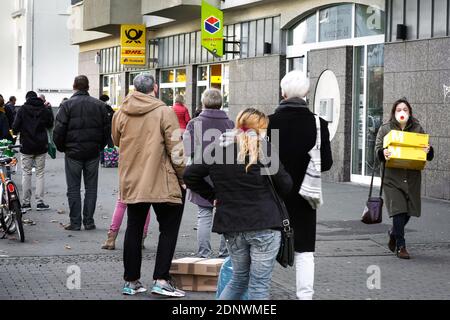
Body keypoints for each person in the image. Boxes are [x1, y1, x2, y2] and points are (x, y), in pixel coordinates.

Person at [184, 108, 293, 300]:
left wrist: (213, 196)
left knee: (239, 278)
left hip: (232, 224)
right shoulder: (263, 148)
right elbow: (285, 184)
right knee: (259, 285)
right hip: (264, 223)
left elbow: (190, 175)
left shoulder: (217, 148)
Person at [112, 74, 186, 297]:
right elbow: (176, 148)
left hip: (132, 178)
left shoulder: (121, 112)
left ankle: (131, 281)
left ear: (134, 88)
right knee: (169, 229)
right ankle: (161, 280)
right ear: (155, 87)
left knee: (134, 228)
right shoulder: (164, 111)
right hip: (160, 179)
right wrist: (183, 177)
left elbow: (116, 141)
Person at [268, 70, 333, 300]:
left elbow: (263, 161)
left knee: (266, 248)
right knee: (305, 251)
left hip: (273, 195)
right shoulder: (318, 124)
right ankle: (305, 296)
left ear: (283, 92)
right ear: (306, 93)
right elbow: (326, 163)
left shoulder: (269, 122)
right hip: (306, 195)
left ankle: (261, 293)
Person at [375, 98, 434, 260]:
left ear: (410, 112)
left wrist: (428, 150)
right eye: (399, 109)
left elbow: (428, 152)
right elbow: (378, 149)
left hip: (411, 177)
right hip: (392, 177)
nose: (402, 112)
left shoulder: (417, 128)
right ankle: (401, 246)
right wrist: (383, 153)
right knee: (398, 211)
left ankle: (394, 232)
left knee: (409, 211)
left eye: (405, 110)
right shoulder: (386, 129)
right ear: (394, 112)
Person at [53, 75, 111, 231]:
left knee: (73, 188)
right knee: (91, 188)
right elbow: (106, 130)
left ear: (74, 86)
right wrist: (100, 146)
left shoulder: (66, 105)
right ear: (88, 87)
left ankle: (75, 222)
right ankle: (89, 221)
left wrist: (62, 147)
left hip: (73, 153)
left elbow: (58, 130)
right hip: (92, 152)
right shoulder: (99, 105)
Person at [183, 89, 233, 258]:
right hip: (225, 177)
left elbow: (187, 150)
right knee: (225, 215)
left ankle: (204, 254)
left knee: (203, 215)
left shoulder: (194, 123)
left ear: (203, 102)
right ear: (221, 103)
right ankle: (224, 254)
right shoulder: (231, 124)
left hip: (200, 176)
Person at [12, 91, 55, 212]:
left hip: (26, 146)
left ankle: (26, 203)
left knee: (26, 173)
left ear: (26, 98)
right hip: (41, 146)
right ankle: (40, 202)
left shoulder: (22, 109)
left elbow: (15, 127)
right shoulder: (43, 108)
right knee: (40, 173)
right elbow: (50, 124)